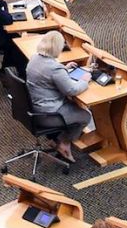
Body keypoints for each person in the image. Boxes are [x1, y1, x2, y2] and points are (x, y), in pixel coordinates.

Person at [25, 31, 88, 163]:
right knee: (85, 116)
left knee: (74, 108)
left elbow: (47, 76)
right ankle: (63, 142)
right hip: (49, 114)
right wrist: (85, 78)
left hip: (34, 108)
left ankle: (58, 138)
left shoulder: (34, 59)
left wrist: (64, 69)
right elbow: (72, 90)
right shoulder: (54, 69)